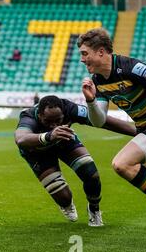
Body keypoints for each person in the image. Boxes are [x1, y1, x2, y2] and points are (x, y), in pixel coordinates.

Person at [15, 95, 136, 226]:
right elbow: (21, 139)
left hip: (64, 140)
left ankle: (94, 209)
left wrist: (139, 131)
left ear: (64, 113)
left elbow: (102, 120)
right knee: (64, 197)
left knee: (92, 175)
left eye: (58, 120)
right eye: (48, 121)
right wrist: (50, 135)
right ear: (39, 115)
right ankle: (66, 205)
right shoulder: (28, 116)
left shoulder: (70, 108)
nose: (54, 125)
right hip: (37, 152)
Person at [79, 27, 146, 202]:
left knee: (122, 163)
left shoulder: (132, 68)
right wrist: (91, 101)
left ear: (101, 52)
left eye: (84, 53)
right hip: (144, 130)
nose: (81, 59)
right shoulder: (98, 81)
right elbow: (99, 121)